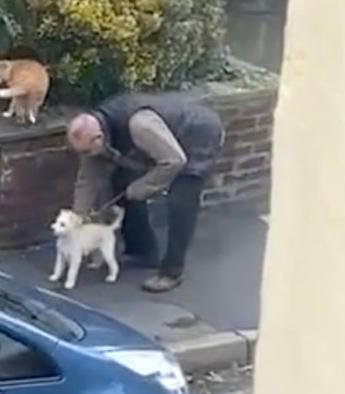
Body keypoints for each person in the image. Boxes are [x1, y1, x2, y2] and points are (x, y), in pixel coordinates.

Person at [66, 94, 226, 293]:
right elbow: (87, 180)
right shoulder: (93, 134)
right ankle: (143, 251)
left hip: (198, 134)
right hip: (166, 141)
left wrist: (141, 188)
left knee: (181, 200)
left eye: (89, 152)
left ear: (99, 138)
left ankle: (171, 272)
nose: (88, 156)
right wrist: (78, 218)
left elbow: (174, 161)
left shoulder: (140, 125)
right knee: (122, 182)